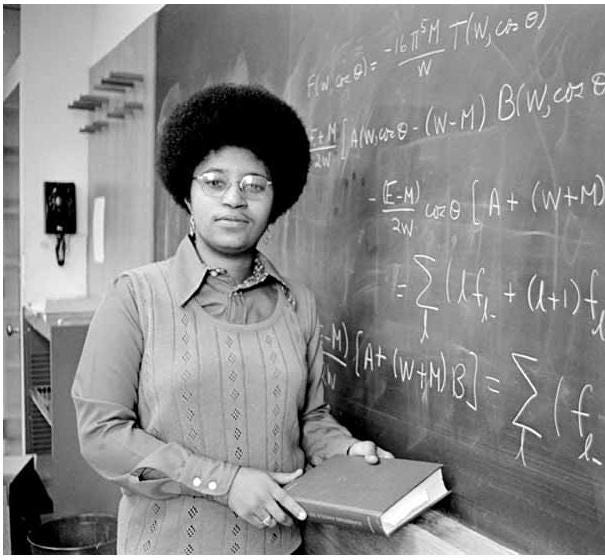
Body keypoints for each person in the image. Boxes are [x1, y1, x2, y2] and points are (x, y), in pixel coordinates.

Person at [72, 83, 393, 555]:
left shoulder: (298, 304)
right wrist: (224, 482)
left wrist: (344, 452)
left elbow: (309, 419)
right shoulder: (136, 297)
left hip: (282, 548)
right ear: (187, 193)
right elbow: (102, 434)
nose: (235, 199)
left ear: (275, 198)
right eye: (215, 181)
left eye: (254, 184)